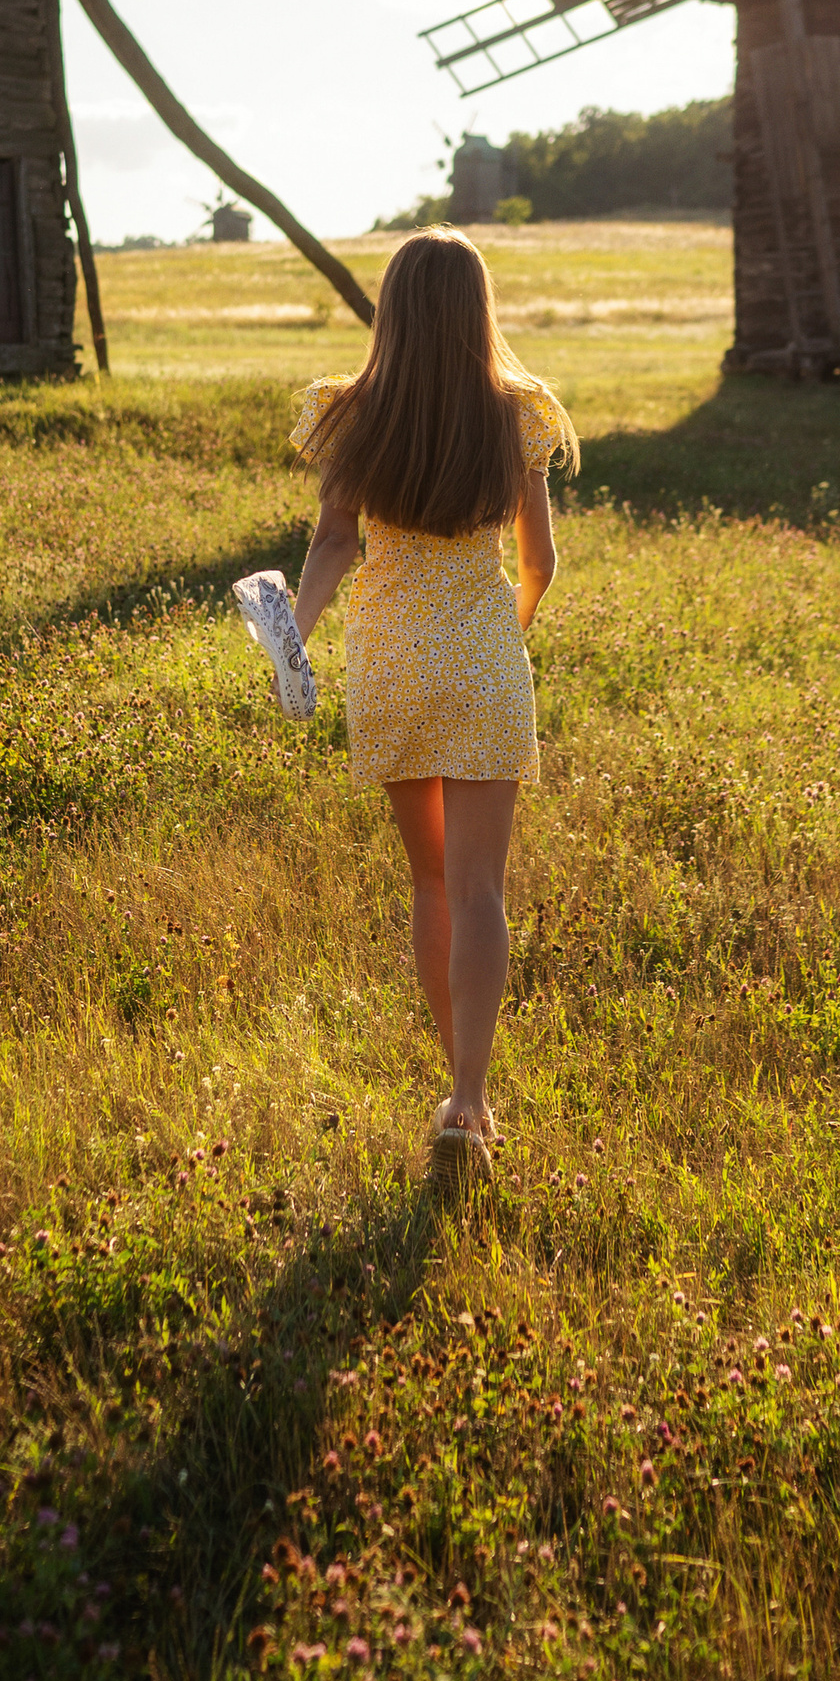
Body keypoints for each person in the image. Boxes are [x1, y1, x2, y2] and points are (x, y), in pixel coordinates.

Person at [285, 227, 579, 1184]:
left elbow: (332, 543)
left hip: (391, 661)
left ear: (395, 310)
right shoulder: (516, 416)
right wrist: (503, 640)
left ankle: (454, 1089)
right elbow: (539, 564)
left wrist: (297, 629)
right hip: (483, 656)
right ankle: (472, 1097)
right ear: (478, 310)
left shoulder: (351, 414)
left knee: (431, 885)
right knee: (483, 887)